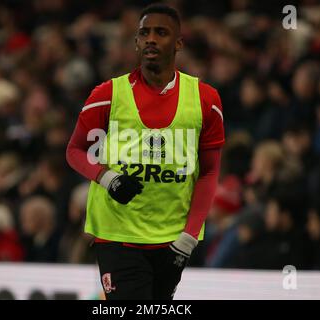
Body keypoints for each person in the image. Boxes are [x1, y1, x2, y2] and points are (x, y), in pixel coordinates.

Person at [66, 3, 224, 300]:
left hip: (172, 239)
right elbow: (74, 150)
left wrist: (189, 237)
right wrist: (107, 178)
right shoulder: (106, 95)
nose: (151, 38)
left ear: (178, 43)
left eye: (161, 32)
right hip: (118, 235)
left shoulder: (206, 100)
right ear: (137, 42)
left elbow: (210, 172)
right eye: (144, 33)